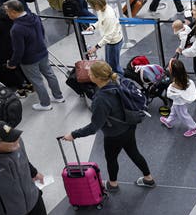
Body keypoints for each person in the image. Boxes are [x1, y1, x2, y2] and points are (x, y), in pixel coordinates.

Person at [63, 61, 156, 191]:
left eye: (90, 72)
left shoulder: (101, 99)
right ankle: (148, 178)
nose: (88, 73)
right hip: (129, 123)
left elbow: (94, 127)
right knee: (133, 151)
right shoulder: (117, 79)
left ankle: (112, 184)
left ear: (96, 77)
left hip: (114, 133)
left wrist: (73, 134)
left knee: (111, 158)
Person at [5, 0, 65, 111]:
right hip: (42, 51)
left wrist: (13, 63)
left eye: (7, 12)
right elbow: (42, 33)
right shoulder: (34, 17)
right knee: (50, 74)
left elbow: (19, 50)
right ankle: (58, 97)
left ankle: (45, 104)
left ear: (13, 11)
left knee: (37, 81)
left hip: (29, 59)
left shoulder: (16, 29)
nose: (6, 14)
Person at [84, 0, 124, 74]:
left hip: (114, 42)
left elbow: (109, 36)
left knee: (115, 67)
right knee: (109, 64)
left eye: (92, 6)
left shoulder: (108, 15)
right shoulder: (101, 9)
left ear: (96, 5)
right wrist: (93, 27)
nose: (92, 8)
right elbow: (101, 21)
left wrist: (96, 47)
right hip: (110, 41)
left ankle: (121, 81)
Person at [161, 58, 196, 137]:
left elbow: (169, 95)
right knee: (173, 111)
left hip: (179, 104)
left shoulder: (174, 85)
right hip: (180, 101)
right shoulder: (186, 79)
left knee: (183, 116)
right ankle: (169, 122)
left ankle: (194, 128)